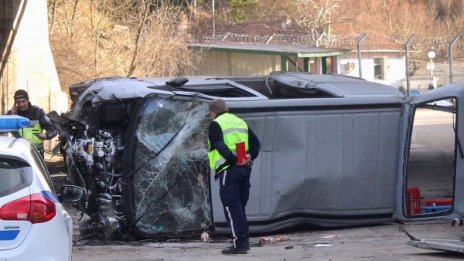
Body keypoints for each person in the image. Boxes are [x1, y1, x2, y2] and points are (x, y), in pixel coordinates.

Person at [207, 99, 260, 255]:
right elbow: (256, 144)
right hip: (244, 169)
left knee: (231, 206)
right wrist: (249, 156)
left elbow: (219, 144)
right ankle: (243, 241)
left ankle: (239, 244)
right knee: (239, 207)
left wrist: (232, 159)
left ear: (213, 112)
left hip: (228, 170)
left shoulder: (216, 123)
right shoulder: (240, 122)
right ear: (227, 109)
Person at [7, 89, 57, 157]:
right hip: (18, 153)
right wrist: (10, 117)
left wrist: (46, 135)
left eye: (23, 101)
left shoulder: (37, 112)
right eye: (18, 102)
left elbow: (53, 130)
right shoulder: (12, 113)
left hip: (36, 153)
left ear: (28, 100)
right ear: (15, 103)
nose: (21, 104)